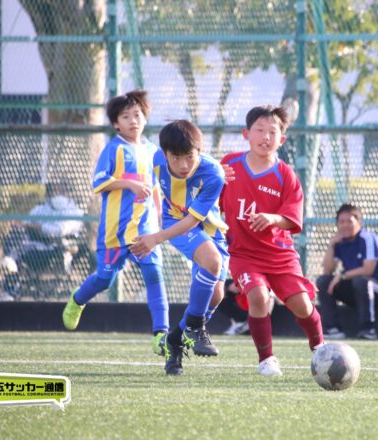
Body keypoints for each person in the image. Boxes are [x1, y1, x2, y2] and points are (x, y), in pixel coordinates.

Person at [61, 90, 170, 362]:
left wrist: (161, 216)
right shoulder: (113, 149)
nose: (134, 120)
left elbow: (157, 187)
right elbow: (98, 183)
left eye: (138, 115)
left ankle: (161, 333)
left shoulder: (154, 152)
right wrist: (129, 184)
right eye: (126, 116)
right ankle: (78, 299)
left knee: (154, 275)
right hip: (114, 233)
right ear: (116, 124)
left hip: (145, 232)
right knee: (104, 279)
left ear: (145, 118)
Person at [219, 105, 324, 377]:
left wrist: (272, 218)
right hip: (243, 254)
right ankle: (266, 359)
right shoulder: (228, 166)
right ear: (246, 134)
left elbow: (292, 219)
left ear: (282, 139)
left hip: (280, 255)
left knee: (302, 305)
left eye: (272, 132)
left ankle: (320, 348)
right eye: (260, 130)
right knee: (259, 297)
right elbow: (209, 197)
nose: (266, 137)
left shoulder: (286, 175)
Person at [130, 119, 229, 376]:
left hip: (208, 227)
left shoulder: (213, 174)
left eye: (190, 157)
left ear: (200, 151)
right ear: (165, 154)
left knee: (216, 295)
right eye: (176, 158)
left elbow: (194, 220)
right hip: (176, 221)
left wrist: (155, 238)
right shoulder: (155, 159)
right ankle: (195, 327)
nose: (183, 165)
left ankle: (174, 341)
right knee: (213, 261)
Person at [316, 203, 378, 340]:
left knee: (361, 281)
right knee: (323, 282)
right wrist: (331, 245)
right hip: (355, 288)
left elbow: (368, 270)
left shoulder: (368, 238)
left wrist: (342, 275)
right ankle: (333, 329)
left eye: (349, 221)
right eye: (341, 222)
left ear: (358, 222)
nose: (345, 225)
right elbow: (327, 270)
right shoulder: (340, 241)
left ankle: (368, 330)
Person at [0, 182, 84, 301]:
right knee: (17, 236)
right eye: (53, 191)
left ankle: (9, 288)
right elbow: (26, 223)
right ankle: (9, 270)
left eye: (60, 190)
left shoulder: (75, 212)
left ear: (68, 192)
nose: (57, 194)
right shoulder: (41, 209)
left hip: (53, 251)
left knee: (18, 252)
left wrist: (37, 227)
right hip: (32, 245)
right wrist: (20, 225)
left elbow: (59, 230)